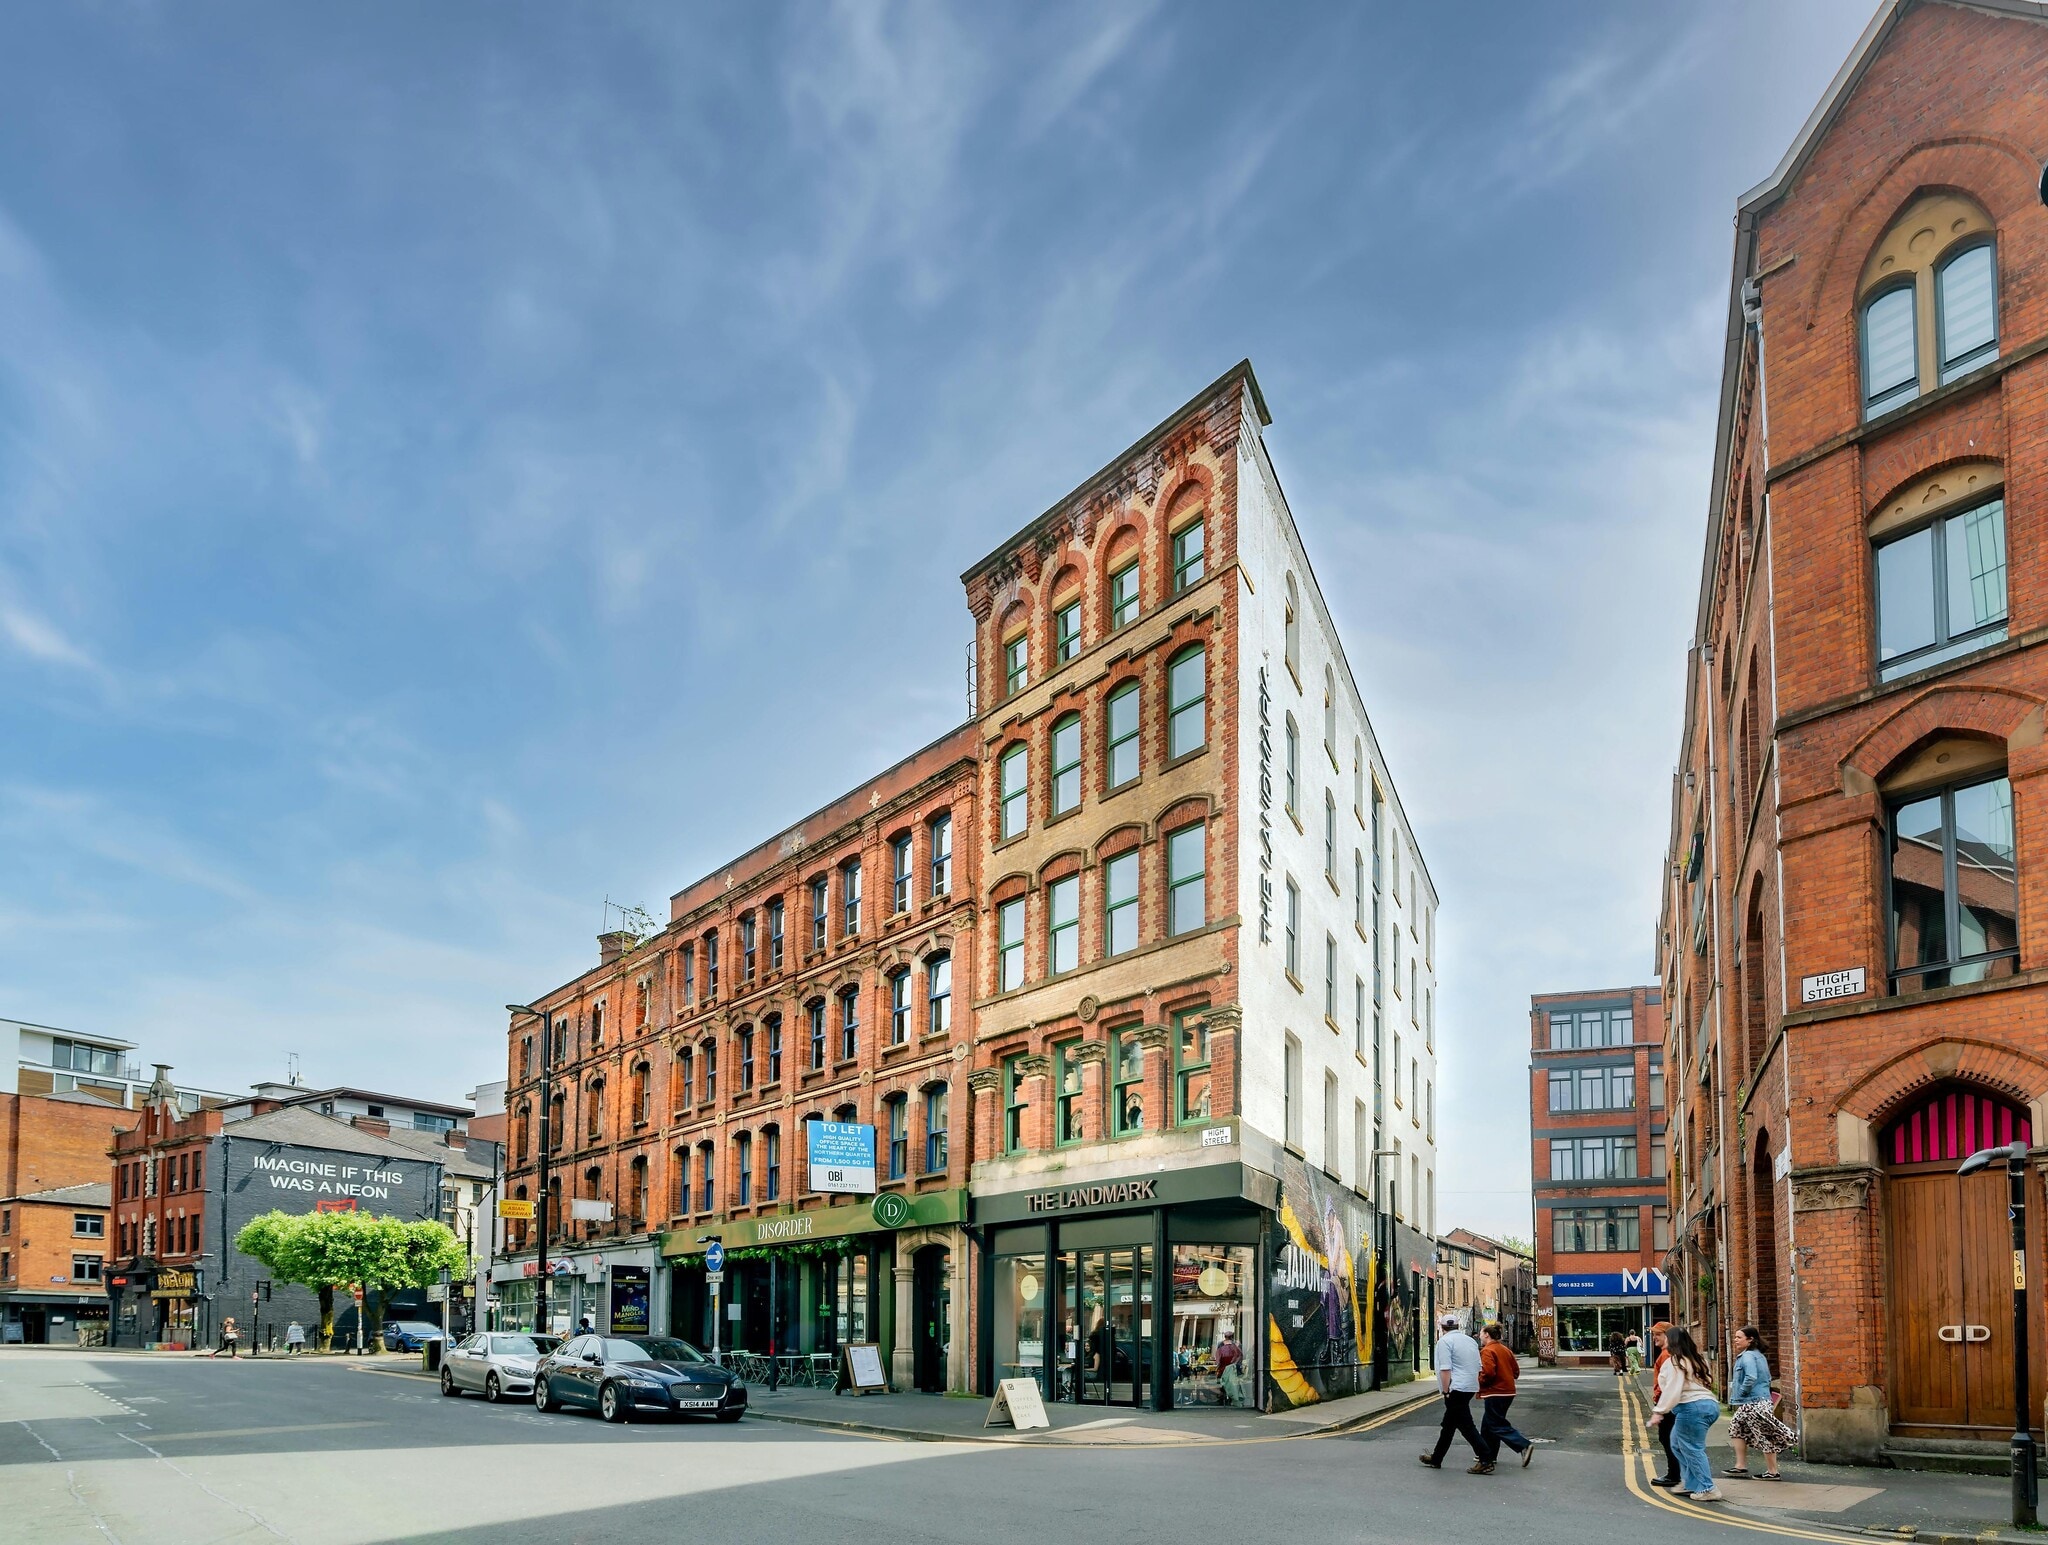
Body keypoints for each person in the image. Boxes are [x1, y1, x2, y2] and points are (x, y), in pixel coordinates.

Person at [1654, 1327, 1724, 1502]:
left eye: (1667, 1338)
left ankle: (1708, 1488)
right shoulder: (1695, 1359)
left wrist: (1659, 1411)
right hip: (1708, 1405)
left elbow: (1672, 1389)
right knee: (1676, 1443)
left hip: (1691, 1407)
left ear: (1673, 1341)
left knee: (1692, 1448)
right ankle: (1691, 1484)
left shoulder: (1674, 1362)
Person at [1419, 1314, 1490, 1474]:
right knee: (1449, 1425)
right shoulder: (1471, 1341)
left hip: (1455, 1388)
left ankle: (1486, 1458)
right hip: (1470, 1386)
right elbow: (1479, 1366)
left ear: (1442, 1327)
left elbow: (1445, 1369)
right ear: (1458, 1326)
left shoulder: (1444, 1342)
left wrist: (1445, 1391)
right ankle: (1436, 1458)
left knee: (1466, 1426)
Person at [1725, 1325, 1796, 1480]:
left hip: (1754, 1402)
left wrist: (1742, 1392)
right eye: (1735, 1337)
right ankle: (1740, 1466)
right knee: (1736, 1427)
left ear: (1750, 1340)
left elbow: (1750, 1377)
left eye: (1739, 1337)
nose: (1735, 1340)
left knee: (1763, 1435)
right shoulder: (1756, 1355)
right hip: (1754, 1402)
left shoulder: (1749, 1356)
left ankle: (1772, 1472)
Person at [1477, 1323, 1532, 1467]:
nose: (1479, 1336)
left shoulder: (1487, 1351)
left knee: (1495, 1424)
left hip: (1495, 1392)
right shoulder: (1505, 1350)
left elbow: (1488, 1373)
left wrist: (1479, 1381)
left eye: (1481, 1333)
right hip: (1508, 1391)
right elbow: (1516, 1372)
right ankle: (1488, 1455)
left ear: (1487, 1335)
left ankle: (1523, 1445)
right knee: (1488, 1425)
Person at [1647, 1322, 1682, 1489]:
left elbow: (1669, 1383)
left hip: (1668, 1403)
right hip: (1668, 1402)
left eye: (1658, 1334)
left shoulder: (1667, 1355)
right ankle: (1676, 1473)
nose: (1654, 1337)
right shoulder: (1666, 1353)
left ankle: (1674, 1474)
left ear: (1667, 1336)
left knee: (1668, 1438)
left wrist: (1660, 1405)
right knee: (1671, 1438)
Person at [1215, 1328, 1246, 1408]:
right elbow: (1239, 1355)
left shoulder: (1222, 1344)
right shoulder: (1235, 1345)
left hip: (1225, 1367)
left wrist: (1218, 1365)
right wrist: (1235, 1363)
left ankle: (1223, 1398)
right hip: (1232, 1367)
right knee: (1232, 1383)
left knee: (1223, 1382)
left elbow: (1218, 1357)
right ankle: (1230, 1398)